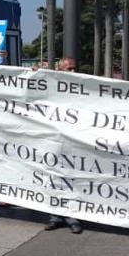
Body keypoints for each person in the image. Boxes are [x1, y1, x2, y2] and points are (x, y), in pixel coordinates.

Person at [44, 56, 83, 235]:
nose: (72, 72)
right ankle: (55, 216)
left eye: (74, 69)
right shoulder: (48, 86)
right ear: (59, 70)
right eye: (68, 69)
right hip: (53, 141)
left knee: (71, 179)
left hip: (74, 143)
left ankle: (73, 218)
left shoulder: (84, 87)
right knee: (53, 179)